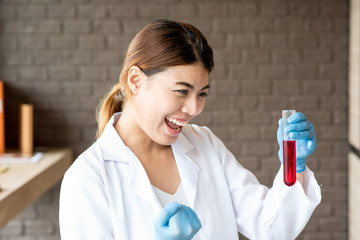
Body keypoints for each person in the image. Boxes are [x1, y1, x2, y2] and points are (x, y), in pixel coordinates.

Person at [59, 19, 321, 240]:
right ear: (136, 81)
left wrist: (293, 169)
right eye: (181, 91)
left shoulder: (204, 143)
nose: (194, 108)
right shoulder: (88, 178)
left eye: (202, 94)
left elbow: (270, 228)